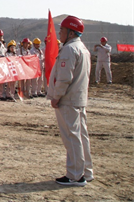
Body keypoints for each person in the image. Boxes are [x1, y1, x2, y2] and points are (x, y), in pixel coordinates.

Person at [48, 15, 93, 186]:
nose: (59, 33)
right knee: (81, 136)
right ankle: (86, 171)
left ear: (71, 32)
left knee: (72, 137)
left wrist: (56, 96)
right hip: (78, 99)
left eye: (62, 30)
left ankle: (75, 175)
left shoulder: (69, 50)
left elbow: (64, 78)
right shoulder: (83, 49)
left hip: (68, 100)